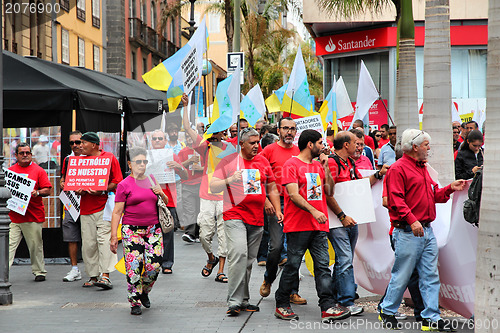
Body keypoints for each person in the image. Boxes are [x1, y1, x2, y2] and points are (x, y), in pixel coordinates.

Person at [379, 129, 466, 331]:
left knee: (429, 275)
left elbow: (433, 194)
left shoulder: (422, 168)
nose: (429, 148)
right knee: (403, 274)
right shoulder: (398, 169)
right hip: (409, 231)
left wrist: (450, 188)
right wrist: (412, 220)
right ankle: (388, 310)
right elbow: (395, 200)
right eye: (426, 144)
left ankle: (430, 317)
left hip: (424, 230)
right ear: (415, 146)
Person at [274, 130, 350, 323]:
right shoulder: (291, 164)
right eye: (319, 142)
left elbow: (330, 191)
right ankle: (282, 303)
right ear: (310, 144)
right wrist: (314, 211)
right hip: (298, 226)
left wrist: (325, 169)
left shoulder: (318, 165)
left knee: (323, 267)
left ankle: (327, 307)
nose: (323, 146)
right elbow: (293, 194)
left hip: (318, 227)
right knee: (292, 266)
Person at [211, 128, 282, 316]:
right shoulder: (229, 161)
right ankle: (233, 302)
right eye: (252, 143)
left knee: (248, 261)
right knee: (239, 256)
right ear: (241, 144)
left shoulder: (262, 161)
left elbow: (271, 187)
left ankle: (244, 300)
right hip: (234, 215)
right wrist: (229, 179)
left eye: (257, 142)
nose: (256, 146)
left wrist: (278, 210)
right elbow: (213, 185)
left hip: (257, 218)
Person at [327, 131, 389, 316]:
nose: (359, 146)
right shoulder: (332, 162)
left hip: (350, 219)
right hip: (339, 221)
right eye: (356, 142)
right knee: (345, 259)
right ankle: (346, 301)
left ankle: (335, 296)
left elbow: (359, 185)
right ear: (346, 145)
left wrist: (378, 174)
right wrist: (341, 215)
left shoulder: (350, 162)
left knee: (343, 260)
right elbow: (328, 193)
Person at [110, 147, 167, 315]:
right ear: (130, 164)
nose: (142, 165)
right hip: (132, 230)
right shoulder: (124, 185)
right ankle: (134, 301)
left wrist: (161, 193)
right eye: (139, 162)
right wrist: (114, 236)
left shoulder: (152, 179)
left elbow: (166, 201)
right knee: (134, 265)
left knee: (155, 264)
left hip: (153, 228)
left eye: (145, 162)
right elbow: (117, 212)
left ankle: (144, 291)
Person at [259, 117, 307, 306]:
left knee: (295, 250)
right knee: (277, 246)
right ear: (278, 131)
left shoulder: (300, 152)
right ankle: (268, 278)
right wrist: (265, 200)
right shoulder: (268, 151)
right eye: (285, 128)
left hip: (296, 203)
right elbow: (257, 176)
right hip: (275, 201)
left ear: (296, 132)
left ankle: (292, 291)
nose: (289, 132)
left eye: (292, 129)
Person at [182, 93, 228, 283]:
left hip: (226, 199)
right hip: (207, 196)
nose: (215, 133)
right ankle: (211, 259)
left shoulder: (232, 147)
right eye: (211, 130)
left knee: (225, 237)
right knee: (204, 235)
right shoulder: (205, 146)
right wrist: (185, 107)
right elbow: (187, 128)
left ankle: (222, 271)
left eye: (218, 130)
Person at [77, 132, 123, 290]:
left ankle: (105, 275)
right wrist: (78, 189)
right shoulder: (78, 162)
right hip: (85, 207)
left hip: (105, 207)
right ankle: (92, 275)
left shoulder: (109, 158)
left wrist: (101, 190)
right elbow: (73, 182)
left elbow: (117, 181)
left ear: (95, 145)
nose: (80, 146)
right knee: (88, 243)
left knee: (104, 241)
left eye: (83, 143)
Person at [8, 143, 52, 282]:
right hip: (13, 217)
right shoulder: (10, 171)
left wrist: (37, 192)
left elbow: (48, 189)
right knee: (7, 246)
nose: (25, 155)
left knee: (35, 246)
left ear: (31, 155)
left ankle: (39, 271)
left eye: (27, 152)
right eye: (22, 153)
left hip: (32, 216)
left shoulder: (39, 171)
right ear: (16, 155)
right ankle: (3, 273)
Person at [150, 129, 188, 274]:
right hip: (149, 199)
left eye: (160, 139)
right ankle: (153, 262)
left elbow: (185, 175)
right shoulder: (146, 156)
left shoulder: (172, 156)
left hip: (168, 201)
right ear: (151, 141)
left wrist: (178, 166)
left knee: (167, 233)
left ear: (165, 141)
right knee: (151, 232)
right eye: (155, 139)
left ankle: (167, 263)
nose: (158, 141)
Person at [60, 131, 84, 282]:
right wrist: (62, 182)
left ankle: (97, 271)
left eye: (78, 142)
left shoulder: (90, 159)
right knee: (71, 236)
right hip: (71, 203)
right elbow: (63, 178)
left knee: (91, 238)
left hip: (88, 203)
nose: (75, 145)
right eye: (72, 143)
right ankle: (74, 268)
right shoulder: (68, 160)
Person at [179, 134, 204, 243]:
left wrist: (200, 168)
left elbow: (210, 167)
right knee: (189, 210)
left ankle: (197, 233)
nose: (190, 139)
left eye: (192, 137)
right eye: (188, 136)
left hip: (200, 184)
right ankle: (189, 233)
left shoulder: (203, 151)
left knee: (199, 210)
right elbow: (178, 165)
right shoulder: (183, 152)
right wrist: (188, 162)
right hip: (187, 184)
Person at [165, 123, 186, 229]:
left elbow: (184, 162)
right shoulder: (165, 146)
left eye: (175, 131)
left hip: (178, 178)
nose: (174, 133)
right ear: (168, 133)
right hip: (166, 178)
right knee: (167, 200)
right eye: (172, 131)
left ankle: (182, 222)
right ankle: (170, 221)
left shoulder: (182, 145)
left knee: (180, 200)